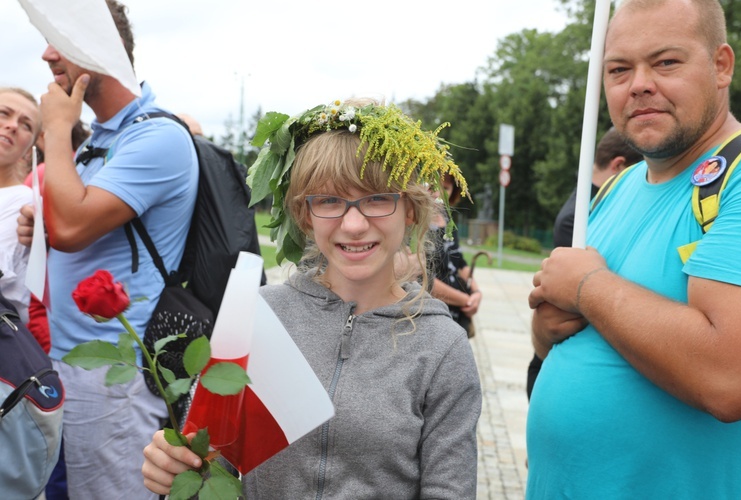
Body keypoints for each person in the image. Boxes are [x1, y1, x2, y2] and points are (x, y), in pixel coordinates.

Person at [142, 99, 482, 498]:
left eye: (377, 198)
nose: (354, 225)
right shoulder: (258, 315)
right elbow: (210, 462)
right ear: (304, 214)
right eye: (329, 200)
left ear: (409, 209)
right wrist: (174, 468)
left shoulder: (441, 347)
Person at [526, 0, 741, 497]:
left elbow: (731, 378)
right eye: (619, 69)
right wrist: (545, 332)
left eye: (666, 62)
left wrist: (587, 287)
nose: (640, 84)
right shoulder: (615, 188)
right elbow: (564, 341)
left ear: (721, 65)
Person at [16, 1, 199, 497]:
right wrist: (43, 223)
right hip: (73, 361)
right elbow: (66, 221)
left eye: (62, 39)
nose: (47, 53)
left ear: (102, 49)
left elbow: (74, 227)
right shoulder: (99, 141)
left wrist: (55, 127)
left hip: (116, 374)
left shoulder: (157, 135)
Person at [526, 127, 642, 398]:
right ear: (619, 166)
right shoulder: (582, 215)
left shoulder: (593, 202)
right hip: (560, 365)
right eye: (638, 171)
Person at [0, 87, 41, 324]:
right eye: (4, 113)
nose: (13, 125)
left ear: (29, 150)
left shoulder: (22, 200)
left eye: (26, 125)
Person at [427, 173, 482, 336]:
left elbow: (460, 262)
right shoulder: (417, 225)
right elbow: (422, 279)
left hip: (455, 312)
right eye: (434, 187)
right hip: (432, 313)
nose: (438, 195)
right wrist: (466, 300)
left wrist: (477, 292)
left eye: (446, 188)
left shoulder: (448, 221)